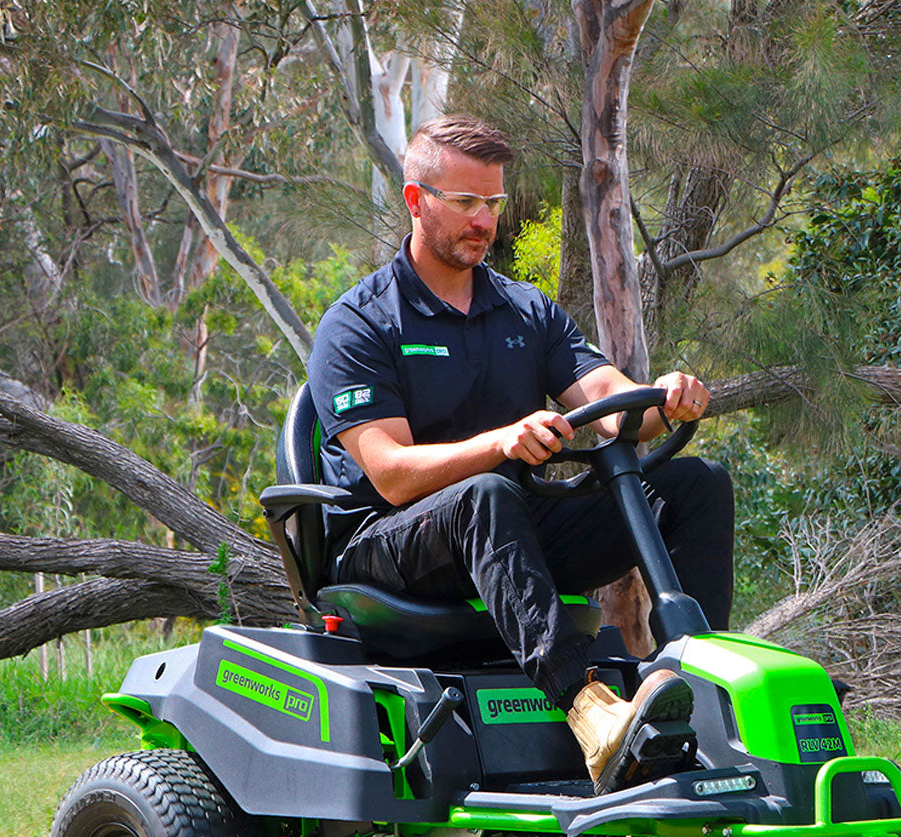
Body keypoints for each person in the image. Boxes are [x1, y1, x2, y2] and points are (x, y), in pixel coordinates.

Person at [307, 114, 734, 795]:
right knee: (489, 493)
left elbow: (614, 401)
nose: (485, 221)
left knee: (695, 485)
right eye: (467, 203)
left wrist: (666, 398)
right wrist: (499, 444)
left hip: (505, 533)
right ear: (417, 201)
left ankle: (682, 690)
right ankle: (590, 715)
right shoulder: (361, 322)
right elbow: (388, 474)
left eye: (495, 203)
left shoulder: (526, 314)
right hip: (388, 546)